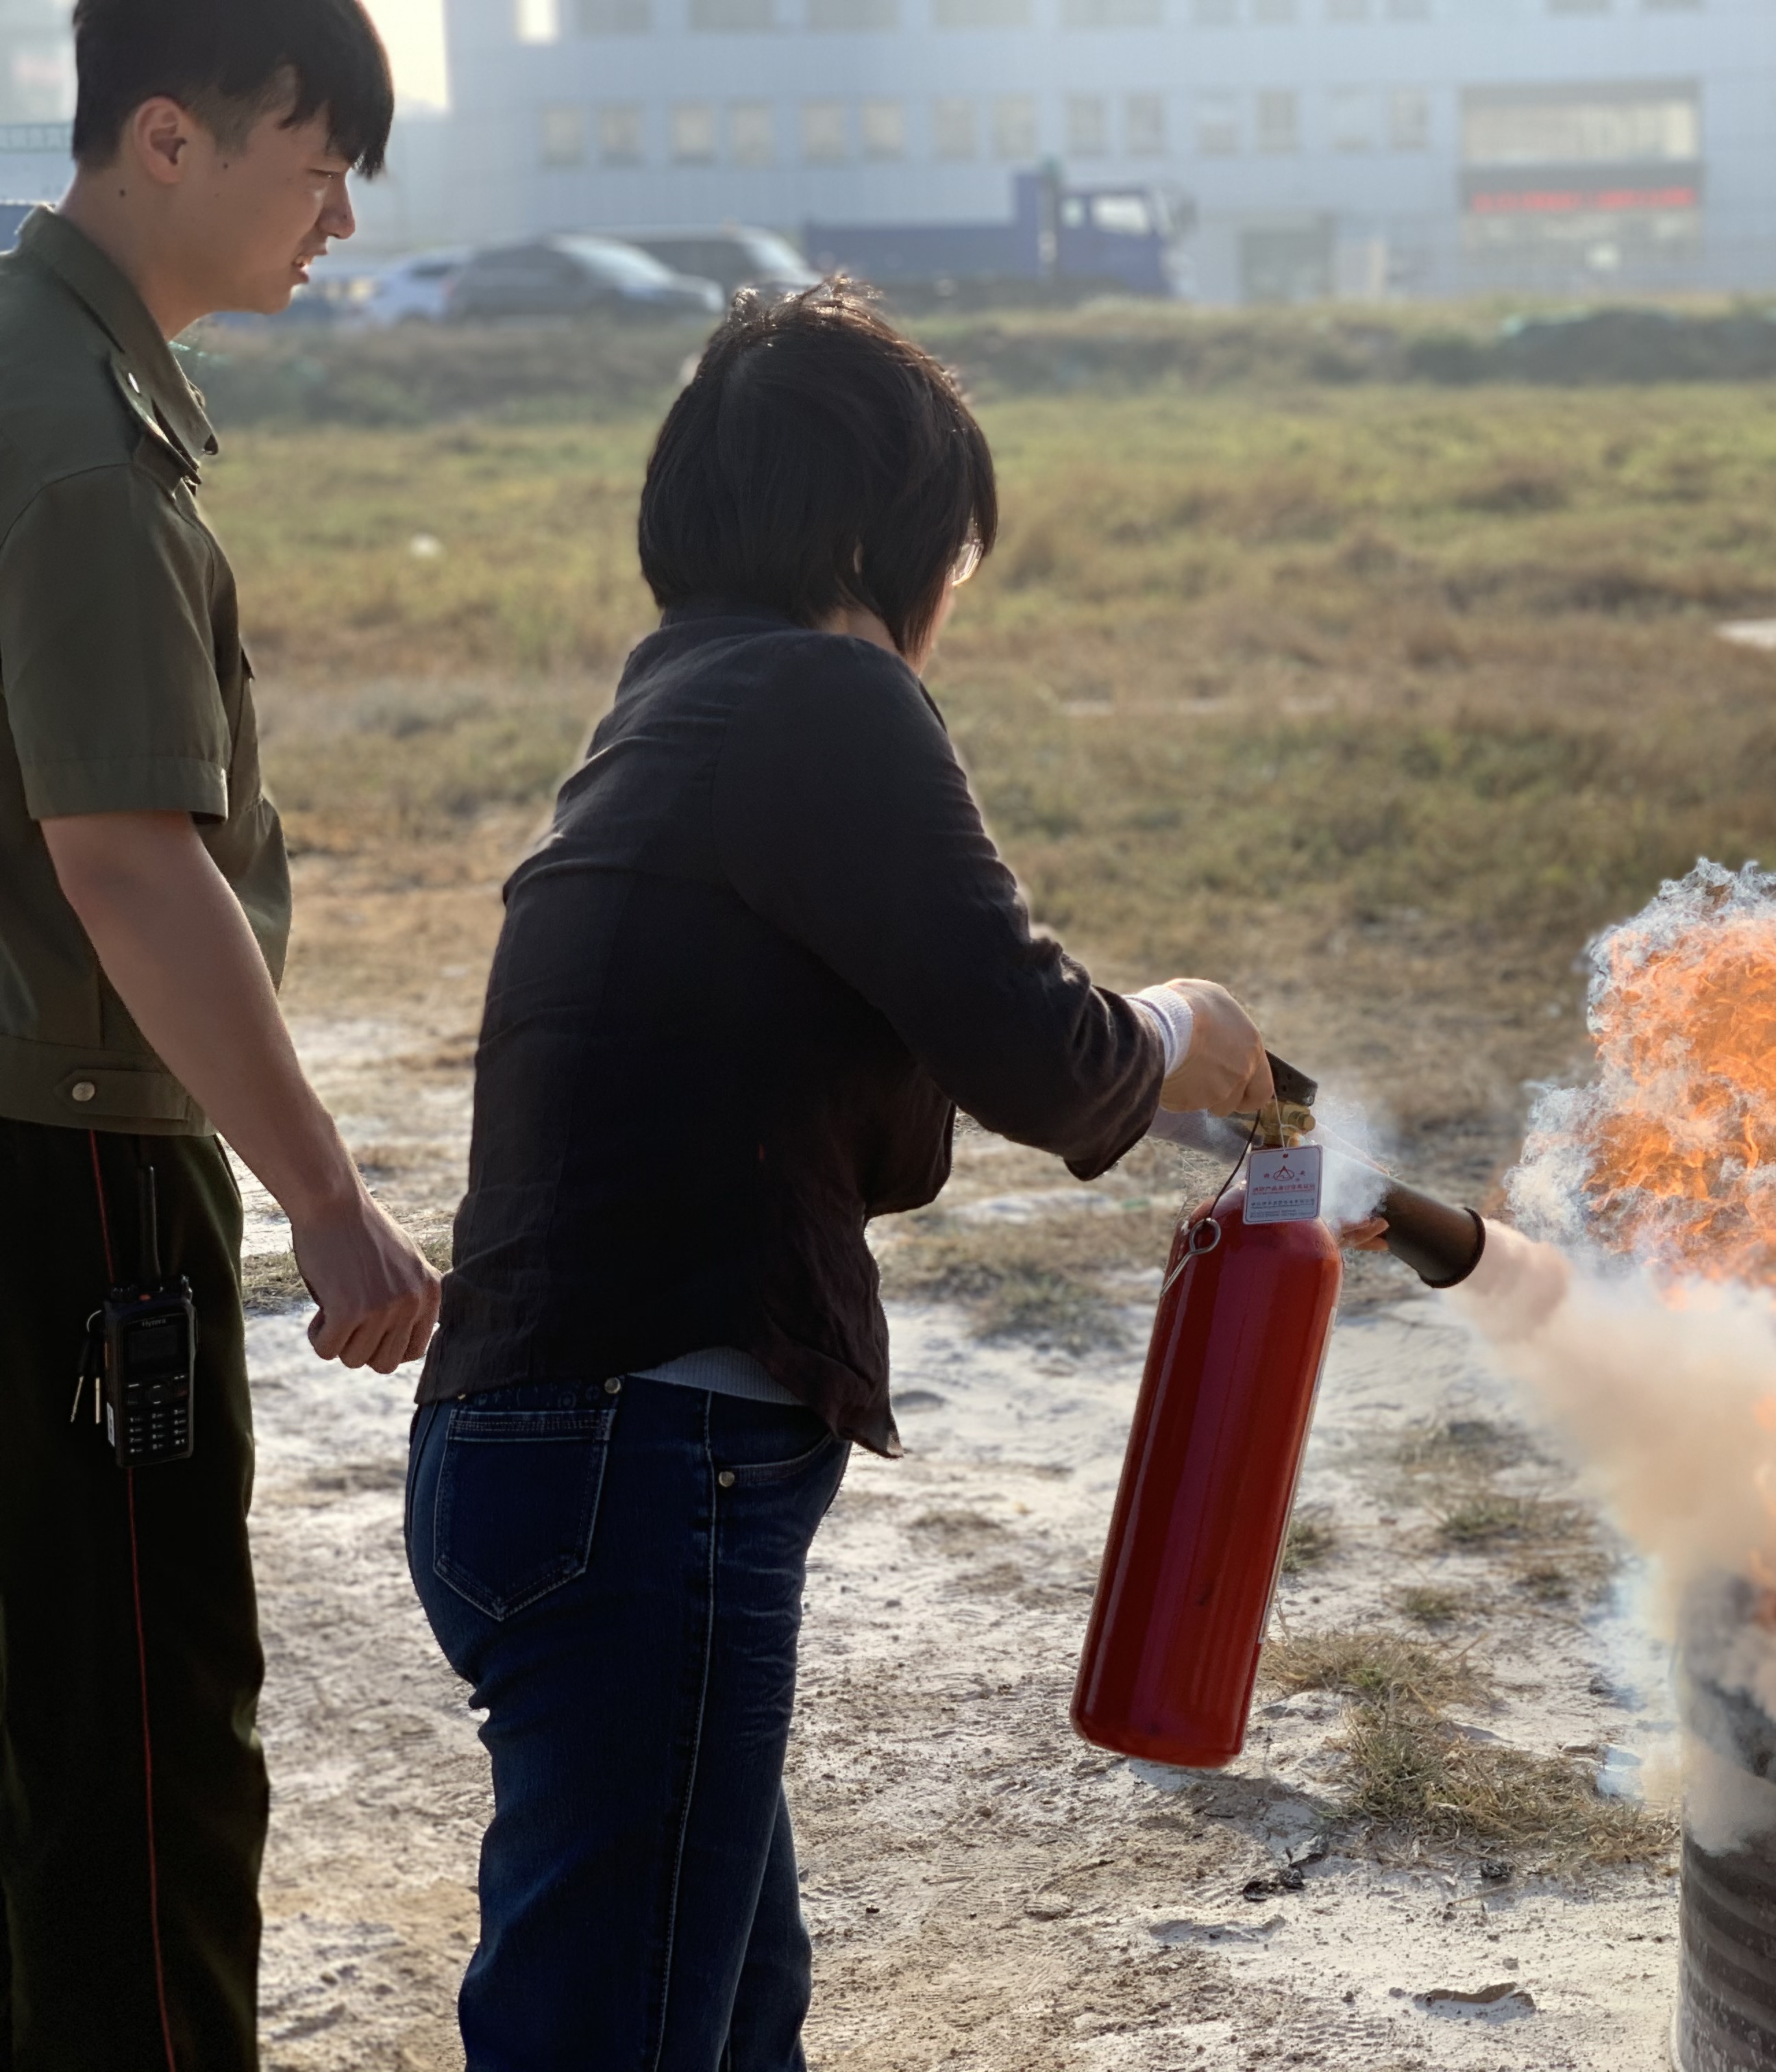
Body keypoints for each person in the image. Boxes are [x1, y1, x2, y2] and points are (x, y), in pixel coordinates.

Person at [406, 282, 1276, 2071]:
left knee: (727, 2008)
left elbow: (909, 1048)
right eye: (956, 558)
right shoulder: (820, 698)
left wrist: (1152, 1073)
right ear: (899, 540)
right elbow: (1038, 1051)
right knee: (633, 2033)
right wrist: (1182, 1026)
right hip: (650, 1461)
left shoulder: (677, 704)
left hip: (538, 1454)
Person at [0, 3, 439, 2068]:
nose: (339, 214)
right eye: (315, 156)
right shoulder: (85, 446)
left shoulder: (44, 373)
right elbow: (127, 867)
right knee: (142, 1755)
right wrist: (333, 1207)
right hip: (74, 1173)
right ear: (164, 139)